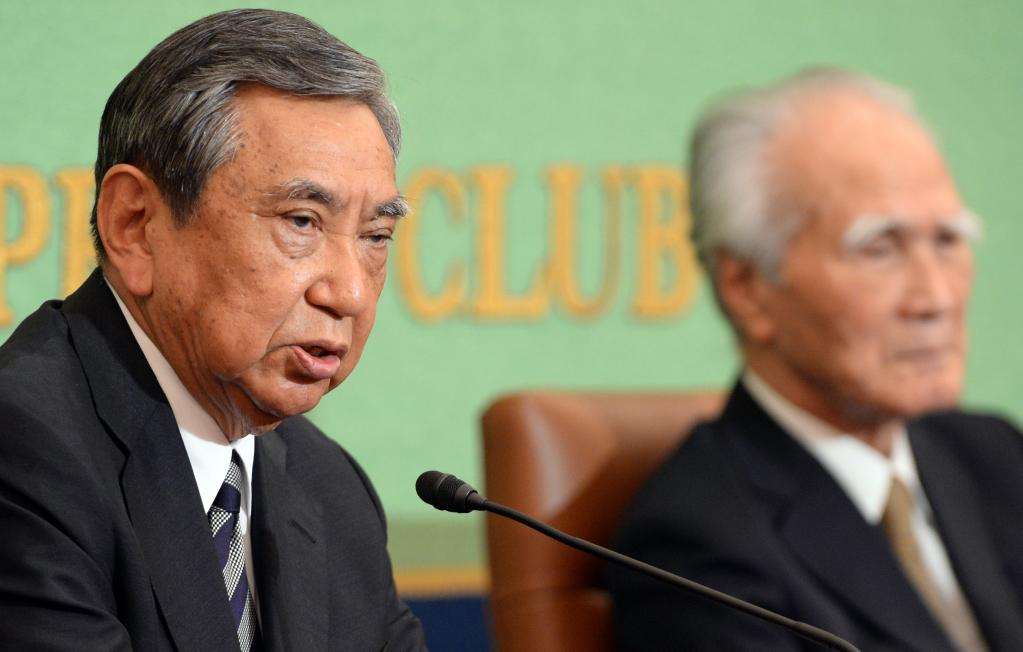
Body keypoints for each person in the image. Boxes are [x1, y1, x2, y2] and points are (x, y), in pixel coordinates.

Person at [0, 9, 426, 651]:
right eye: (302, 222)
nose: (350, 293)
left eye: (375, 236)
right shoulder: (23, 451)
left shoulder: (331, 490)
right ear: (135, 225)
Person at [607, 69, 1023, 651]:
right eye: (879, 249)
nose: (935, 298)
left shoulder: (994, 456)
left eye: (948, 240)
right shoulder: (697, 546)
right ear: (746, 288)